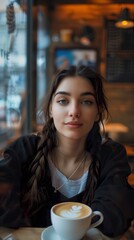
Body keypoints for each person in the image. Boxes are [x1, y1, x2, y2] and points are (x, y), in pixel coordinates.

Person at [0, 65, 134, 238]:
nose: (74, 112)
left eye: (86, 102)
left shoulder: (111, 154)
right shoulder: (25, 150)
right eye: (63, 101)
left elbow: (115, 216)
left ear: (98, 112)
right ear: (50, 108)